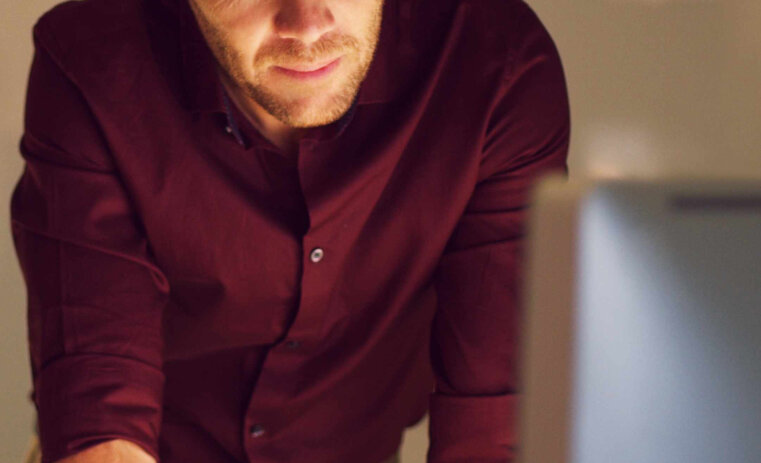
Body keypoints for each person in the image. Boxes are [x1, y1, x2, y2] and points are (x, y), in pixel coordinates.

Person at [10, 0, 570, 461]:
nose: (307, 25)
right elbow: (99, 400)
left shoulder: (498, 62)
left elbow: (491, 421)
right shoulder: (92, 59)